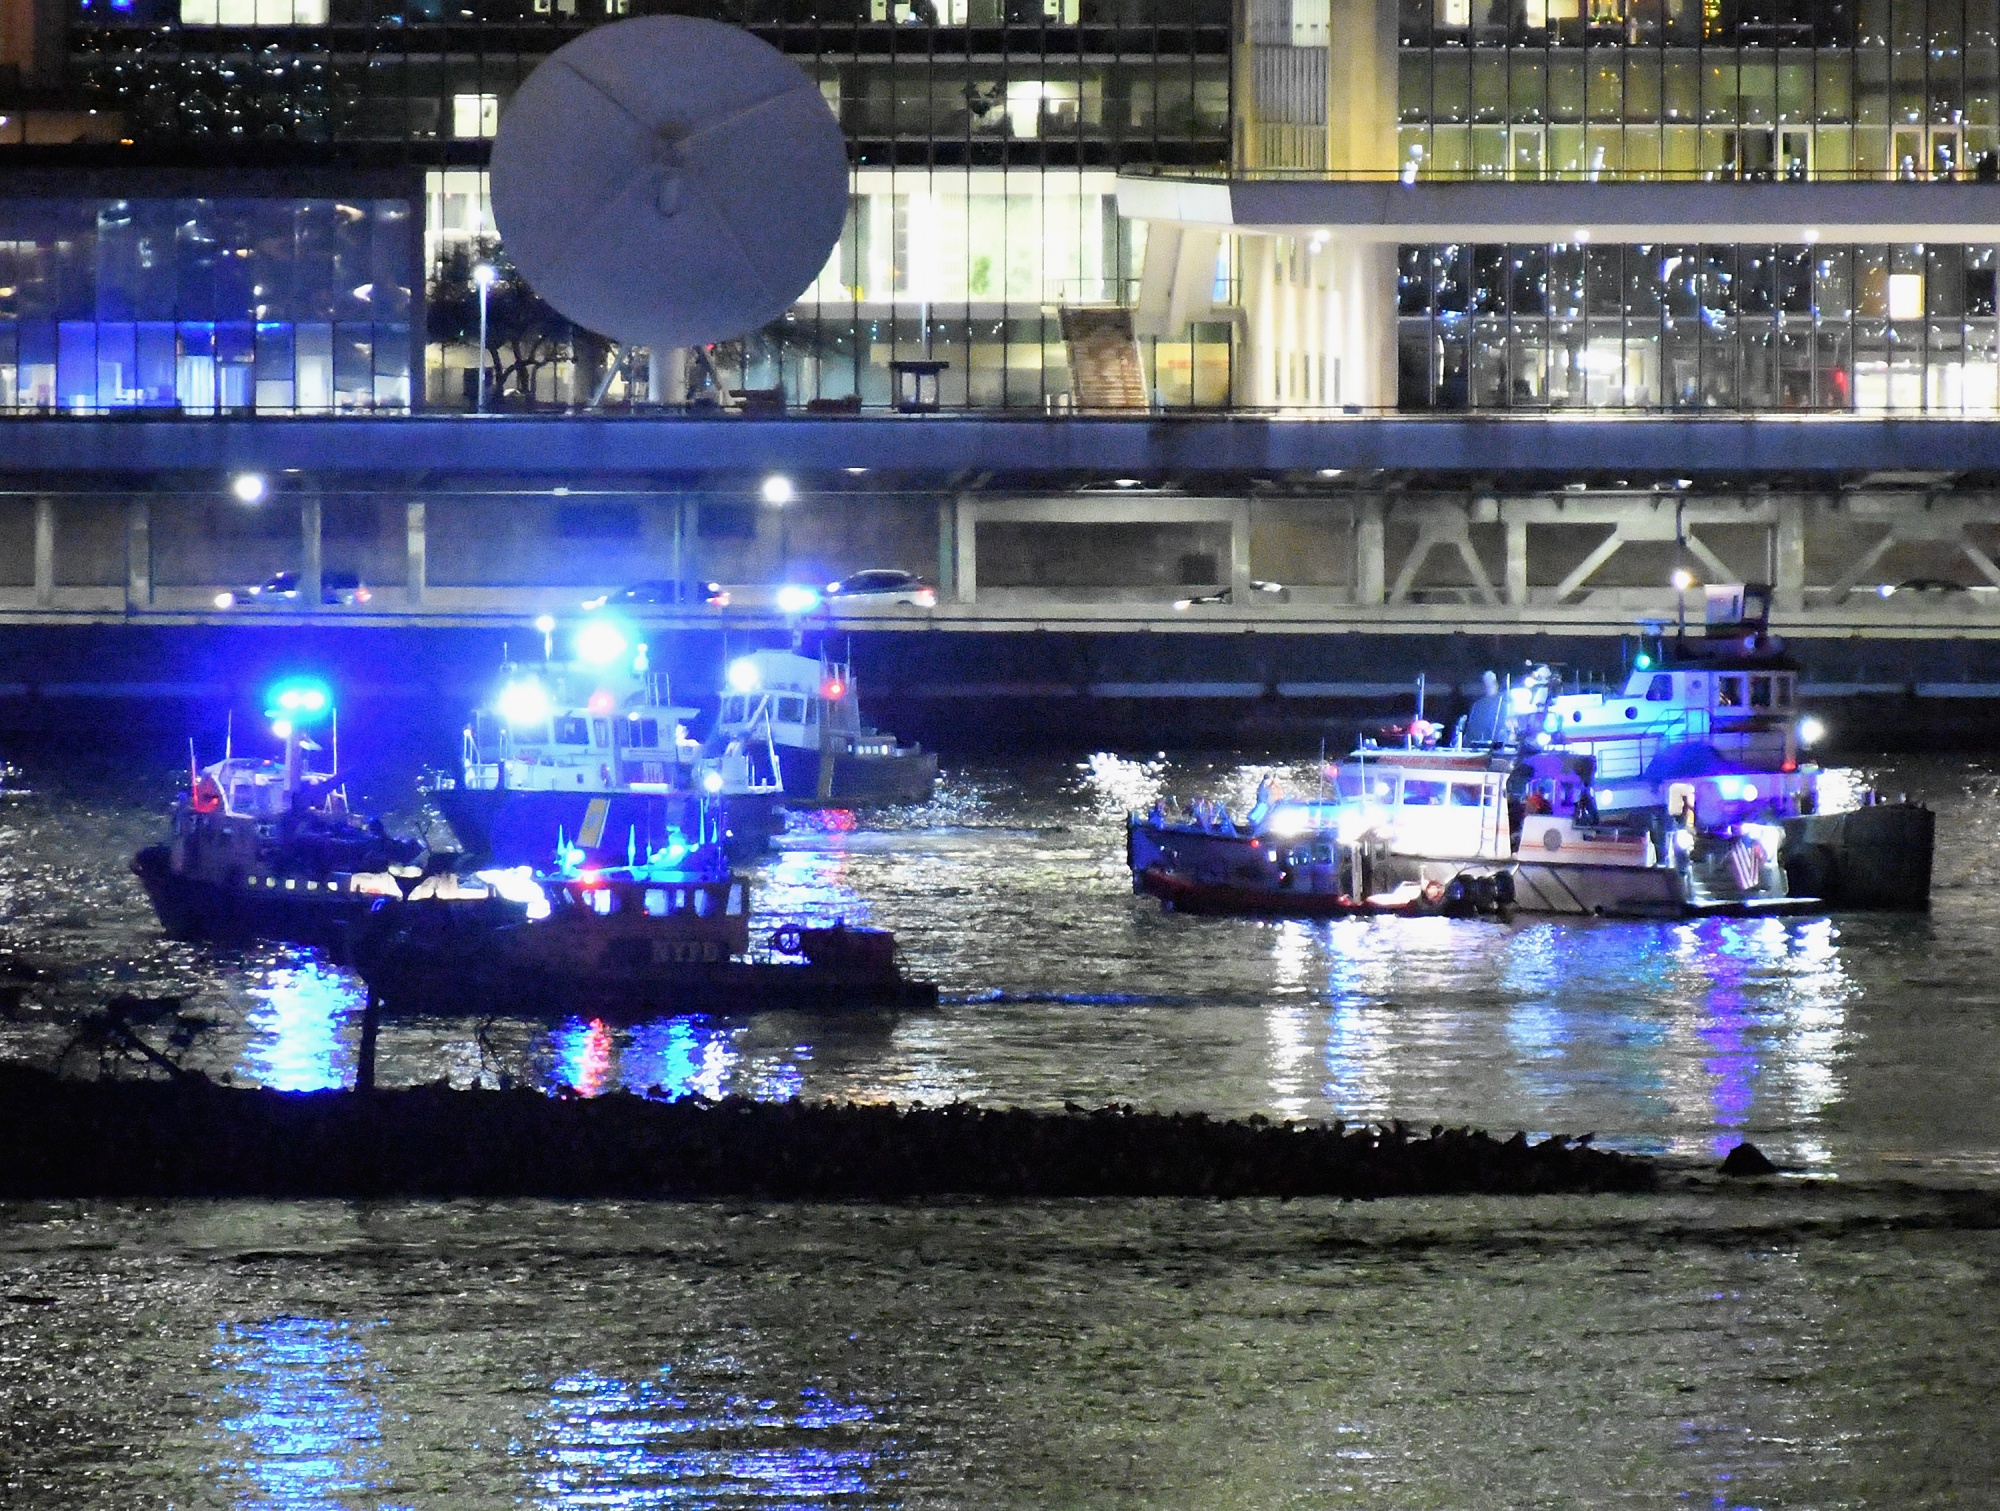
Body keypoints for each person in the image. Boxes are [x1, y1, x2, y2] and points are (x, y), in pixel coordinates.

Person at [1465, 670, 1504, 746]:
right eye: (1486, 681)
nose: (1489, 684)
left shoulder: (1505, 702)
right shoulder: (1478, 705)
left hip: (1498, 746)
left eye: (1492, 681)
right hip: (1479, 746)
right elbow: (1472, 727)